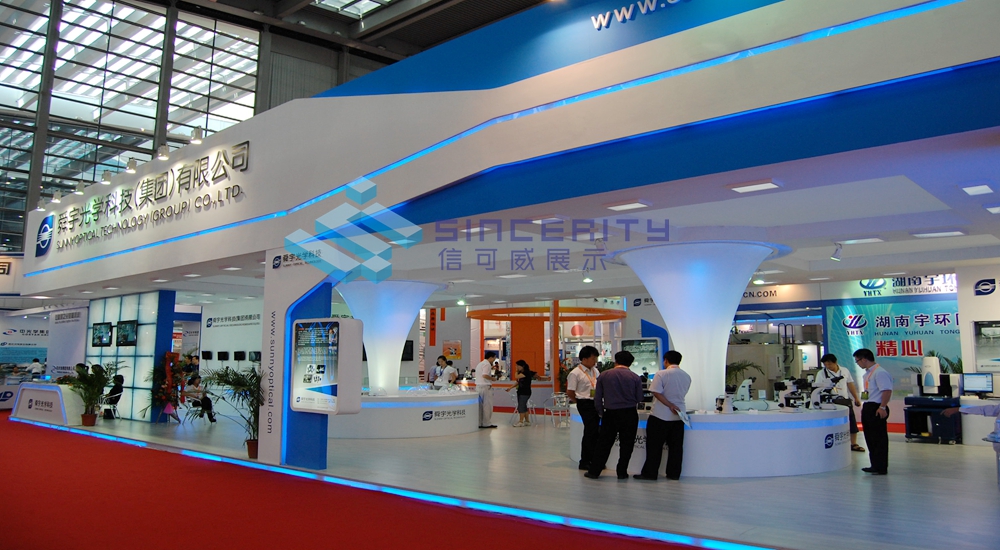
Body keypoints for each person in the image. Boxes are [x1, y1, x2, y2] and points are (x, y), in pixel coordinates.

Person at [585, 350, 643, 480]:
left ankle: (594, 471)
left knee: (603, 444)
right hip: (629, 413)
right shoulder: (635, 377)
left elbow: (597, 398)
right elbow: (639, 397)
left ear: (615, 361)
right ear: (630, 363)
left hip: (610, 413)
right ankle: (622, 472)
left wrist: (601, 412)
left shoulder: (604, 375)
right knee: (627, 444)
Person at [636, 350, 691, 481]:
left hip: (660, 415)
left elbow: (656, 392)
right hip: (679, 416)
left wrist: (670, 405)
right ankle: (674, 474)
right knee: (676, 447)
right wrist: (674, 405)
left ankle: (650, 473)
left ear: (666, 361)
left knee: (654, 446)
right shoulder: (686, 376)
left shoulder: (661, 374)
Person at [815, 353, 865, 452]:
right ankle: (834, 443)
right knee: (833, 424)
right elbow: (817, 387)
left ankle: (853, 444)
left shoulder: (844, 370)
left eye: (830, 364)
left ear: (835, 362)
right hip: (830, 402)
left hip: (844, 400)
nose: (828, 366)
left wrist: (856, 398)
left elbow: (850, 384)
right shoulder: (821, 373)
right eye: (826, 364)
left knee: (851, 422)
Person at [854, 348, 891, 475]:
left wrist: (882, 407)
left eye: (857, 361)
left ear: (864, 359)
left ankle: (881, 466)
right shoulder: (868, 373)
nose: (858, 363)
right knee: (870, 437)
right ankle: (874, 464)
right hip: (869, 406)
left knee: (878, 438)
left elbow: (887, 391)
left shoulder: (880, 373)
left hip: (877, 407)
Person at [567, 345, 601, 470]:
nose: (595, 361)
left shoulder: (595, 371)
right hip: (584, 403)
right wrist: (580, 401)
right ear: (584, 359)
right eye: (593, 358)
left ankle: (594, 460)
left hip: (595, 402)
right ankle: (585, 461)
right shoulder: (575, 373)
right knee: (590, 431)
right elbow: (570, 391)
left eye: (596, 358)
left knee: (595, 431)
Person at [506, 360, 536, 426]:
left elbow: (516, 376)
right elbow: (517, 382)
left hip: (525, 392)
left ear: (522, 366)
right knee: (524, 406)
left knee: (521, 406)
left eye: (518, 366)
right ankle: (527, 421)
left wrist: (516, 371)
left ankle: (521, 421)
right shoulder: (521, 373)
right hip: (520, 391)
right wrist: (510, 388)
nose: (516, 367)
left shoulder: (526, 373)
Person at [475, 351, 498, 428]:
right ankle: (486, 423)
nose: (494, 360)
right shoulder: (487, 364)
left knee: (480, 406)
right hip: (485, 387)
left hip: (478, 387)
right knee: (487, 406)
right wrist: (492, 379)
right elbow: (484, 375)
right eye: (494, 358)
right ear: (491, 357)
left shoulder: (480, 364)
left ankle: (479, 422)